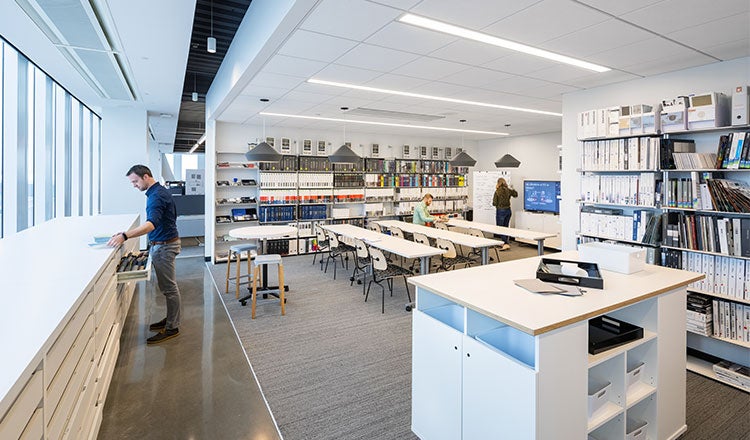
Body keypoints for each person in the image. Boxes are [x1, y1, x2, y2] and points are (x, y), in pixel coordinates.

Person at [108, 165, 182, 344]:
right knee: (167, 288)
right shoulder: (159, 192)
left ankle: (172, 327)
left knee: (169, 289)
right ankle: (171, 319)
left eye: (135, 181)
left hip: (165, 246)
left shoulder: (156, 196)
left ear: (146, 176)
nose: (134, 185)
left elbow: (150, 225)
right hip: (164, 243)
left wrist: (125, 236)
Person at [492, 177, 517, 250]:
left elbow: (494, 203)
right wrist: (512, 188)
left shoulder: (497, 191)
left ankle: (505, 243)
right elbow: (515, 194)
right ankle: (506, 241)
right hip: (508, 210)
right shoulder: (508, 190)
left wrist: (497, 205)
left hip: (500, 211)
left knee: (500, 228)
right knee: (506, 227)